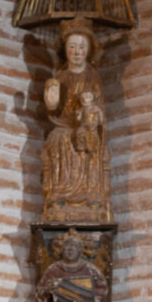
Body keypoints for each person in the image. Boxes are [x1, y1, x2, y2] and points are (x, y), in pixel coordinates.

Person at [41, 16, 112, 225]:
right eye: (72, 47)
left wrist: (91, 117)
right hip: (65, 125)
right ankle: (59, 196)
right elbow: (55, 111)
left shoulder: (93, 76)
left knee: (89, 139)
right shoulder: (61, 76)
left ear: (89, 50)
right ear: (66, 50)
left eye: (82, 47)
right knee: (57, 138)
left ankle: (92, 195)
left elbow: (100, 109)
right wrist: (51, 99)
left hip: (87, 124)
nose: (78, 52)